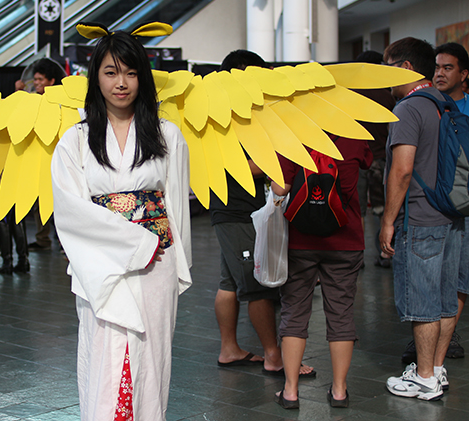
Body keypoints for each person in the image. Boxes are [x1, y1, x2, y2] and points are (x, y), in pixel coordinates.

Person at [51, 30, 192, 420]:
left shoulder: (168, 136)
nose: (121, 83)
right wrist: (135, 242)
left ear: (142, 78)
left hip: (156, 265)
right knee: (104, 358)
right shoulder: (76, 140)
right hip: (101, 268)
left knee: (151, 359)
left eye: (131, 73)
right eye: (111, 72)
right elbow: (70, 210)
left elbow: (176, 207)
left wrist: (174, 260)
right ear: (96, 76)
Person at [210, 50, 314, 380]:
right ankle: (274, 356)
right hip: (238, 209)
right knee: (257, 286)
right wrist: (278, 160)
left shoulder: (236, 110)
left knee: (230, 281)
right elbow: (235, 166)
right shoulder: (229, 115)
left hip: (235, 209)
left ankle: (230, 350)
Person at [380, 37, 462, 401]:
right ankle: (437, 369)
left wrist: (387, 221)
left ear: (405, 68)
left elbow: (402, 170)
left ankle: (424, 376)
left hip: (421, 217)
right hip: (452, 214)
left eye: (386, 68)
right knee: (446, 299)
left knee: (424, 301)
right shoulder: (446, 103)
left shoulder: (409, 108)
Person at [271, 132, 371, 409]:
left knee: (294, 311)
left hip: (300, 240)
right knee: (341, 313)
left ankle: (290, 391)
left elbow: (280, 189)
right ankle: (339, 391)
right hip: (346, 241)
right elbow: (366, 162)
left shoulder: (293, 136)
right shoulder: (354, 136)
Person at [351, 51, 397, 268]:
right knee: (383, 209)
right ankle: (386, 253)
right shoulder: (389, 95)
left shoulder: (351, 94)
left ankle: (357, 257)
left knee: (357, 209)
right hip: (381, 159)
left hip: (356, 159)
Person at [27, 58, 67, 251]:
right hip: (38, 158)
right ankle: (43, 239)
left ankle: (63, 241)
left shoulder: (60, 101)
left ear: (51, 81)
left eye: (40, 79)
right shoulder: (33, 99)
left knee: (60, 202)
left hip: (57, 158)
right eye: (35, 80)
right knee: (39, 202)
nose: (36, 83)